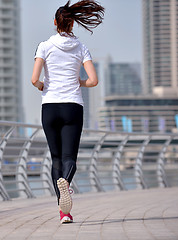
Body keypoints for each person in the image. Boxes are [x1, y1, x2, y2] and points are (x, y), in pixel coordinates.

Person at [31, 0, 104, 224]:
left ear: (55, 23)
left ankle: (63, 211)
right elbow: (93, 80)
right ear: (72, 24)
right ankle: (66, 193)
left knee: (55, 159)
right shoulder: (81, 48)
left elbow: (34, 79)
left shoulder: (44, 45)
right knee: (69, 157)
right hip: (73, 106)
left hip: (50, 107)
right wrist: (79, 82)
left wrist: (43, 86)